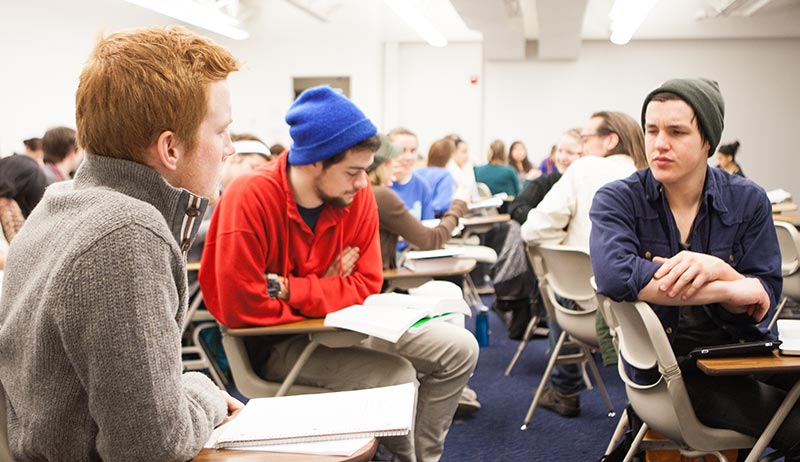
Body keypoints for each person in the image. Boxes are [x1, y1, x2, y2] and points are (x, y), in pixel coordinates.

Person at [199, 86, 479, 462]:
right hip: (280, 343)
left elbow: (366, 285)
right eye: (353, 171)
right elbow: (240, 305)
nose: (364, 182)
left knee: (460, 349)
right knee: (397, 378)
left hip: (350, 325)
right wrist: (329, 284)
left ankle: (423, 457)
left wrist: (285, 287)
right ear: (313, 162)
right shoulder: (249, 196)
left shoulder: (356, 195)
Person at [0, 26, 241, 461]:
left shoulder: (63, 203)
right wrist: (203, 388)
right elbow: (153, 447)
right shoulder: (126, 232)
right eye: (221, 130)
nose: (229, 147)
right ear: (170, 148)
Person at [590, 77, 799, 460]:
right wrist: (728, 286)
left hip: (738, 353)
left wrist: (720, 270)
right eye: (651, 130)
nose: (659, 143)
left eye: (676, 132)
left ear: (708, 142)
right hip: (669, 374)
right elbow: (615, 276)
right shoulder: (619, 199)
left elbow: (764, 295)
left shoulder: (747, 199)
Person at [521, 111, 647, 417]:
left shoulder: (585, 168)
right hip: (641, 319)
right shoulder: (649, 174)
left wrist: (564, 237)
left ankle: (565, 389)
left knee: (561, 278)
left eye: (585, 139)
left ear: (610, 140)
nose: (581, 147)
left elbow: (532, 229)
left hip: (582, 311)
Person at [509, 128, 582, 225]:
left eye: (570, 153)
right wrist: (542, 223)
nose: (562, 158)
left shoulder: (585, 186)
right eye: (559, 151)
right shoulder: (548, 181)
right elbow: (516, 206)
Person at [389, 127, 435, 221]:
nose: (408, 157)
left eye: (413, 151)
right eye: (402, 150)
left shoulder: (422, 186)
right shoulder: (377, 185)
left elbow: (428, 226)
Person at [415, 137, 457, 216]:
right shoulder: (445, 175)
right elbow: (442, 205)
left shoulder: (416, 172)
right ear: (449, 157)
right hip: (434, 220)